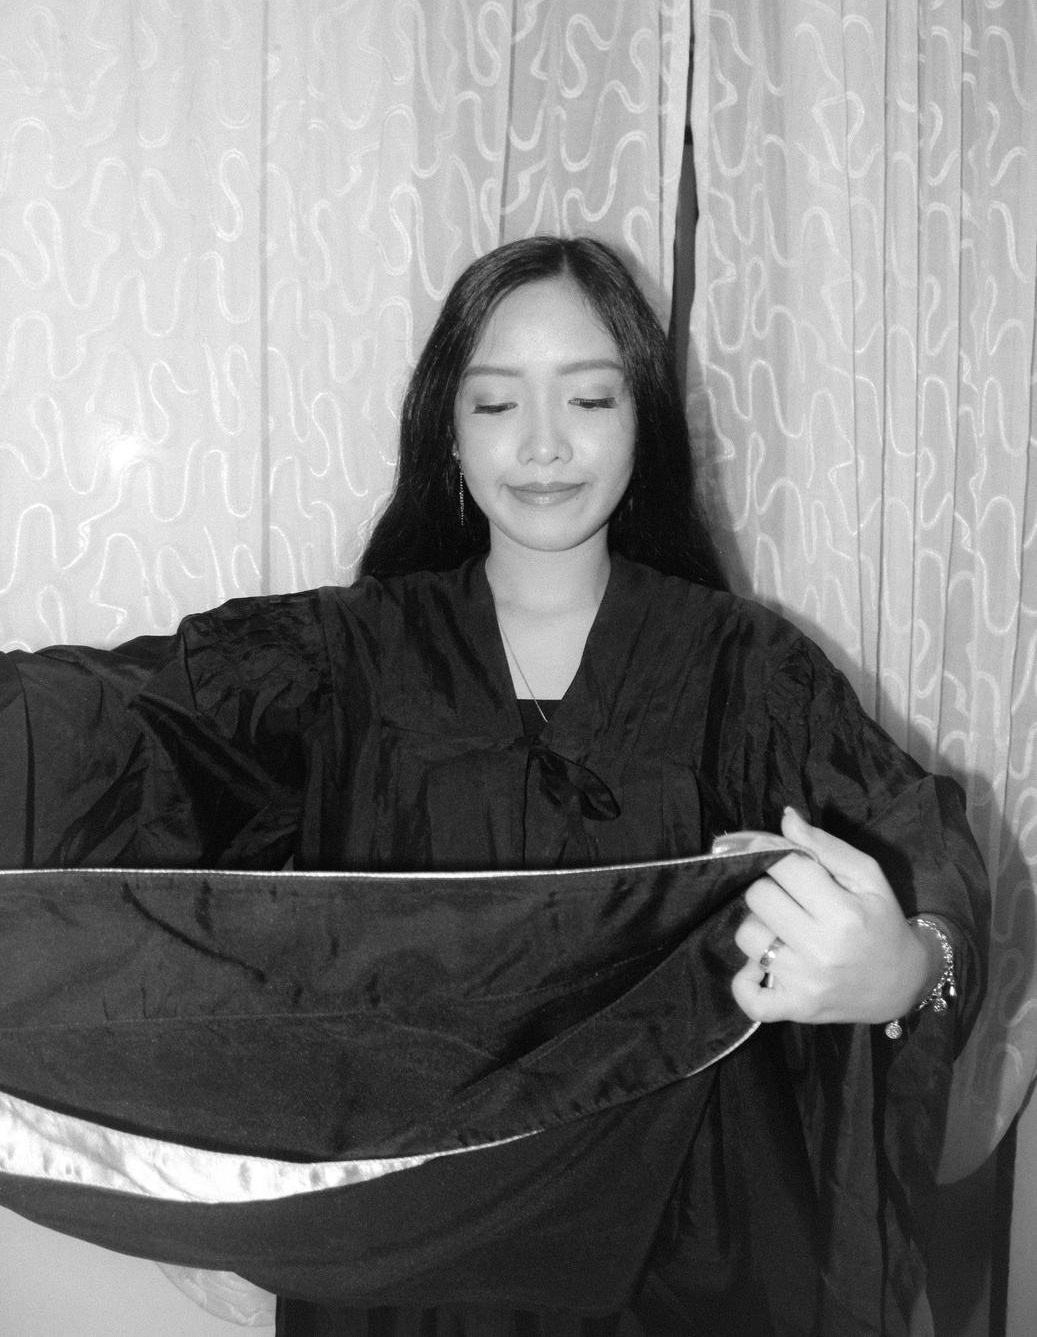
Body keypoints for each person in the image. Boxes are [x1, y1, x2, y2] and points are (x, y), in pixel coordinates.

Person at [0, 236, 987, 1337]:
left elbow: (914, 838)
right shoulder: (341, 663)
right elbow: (103, 733)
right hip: (405, 1250)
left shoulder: (743, 670)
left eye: (590, 397)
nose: (544, 442)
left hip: (684, 1244)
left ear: (643, 419)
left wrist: (911, 966)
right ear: (448, 431)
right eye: (496, 402)